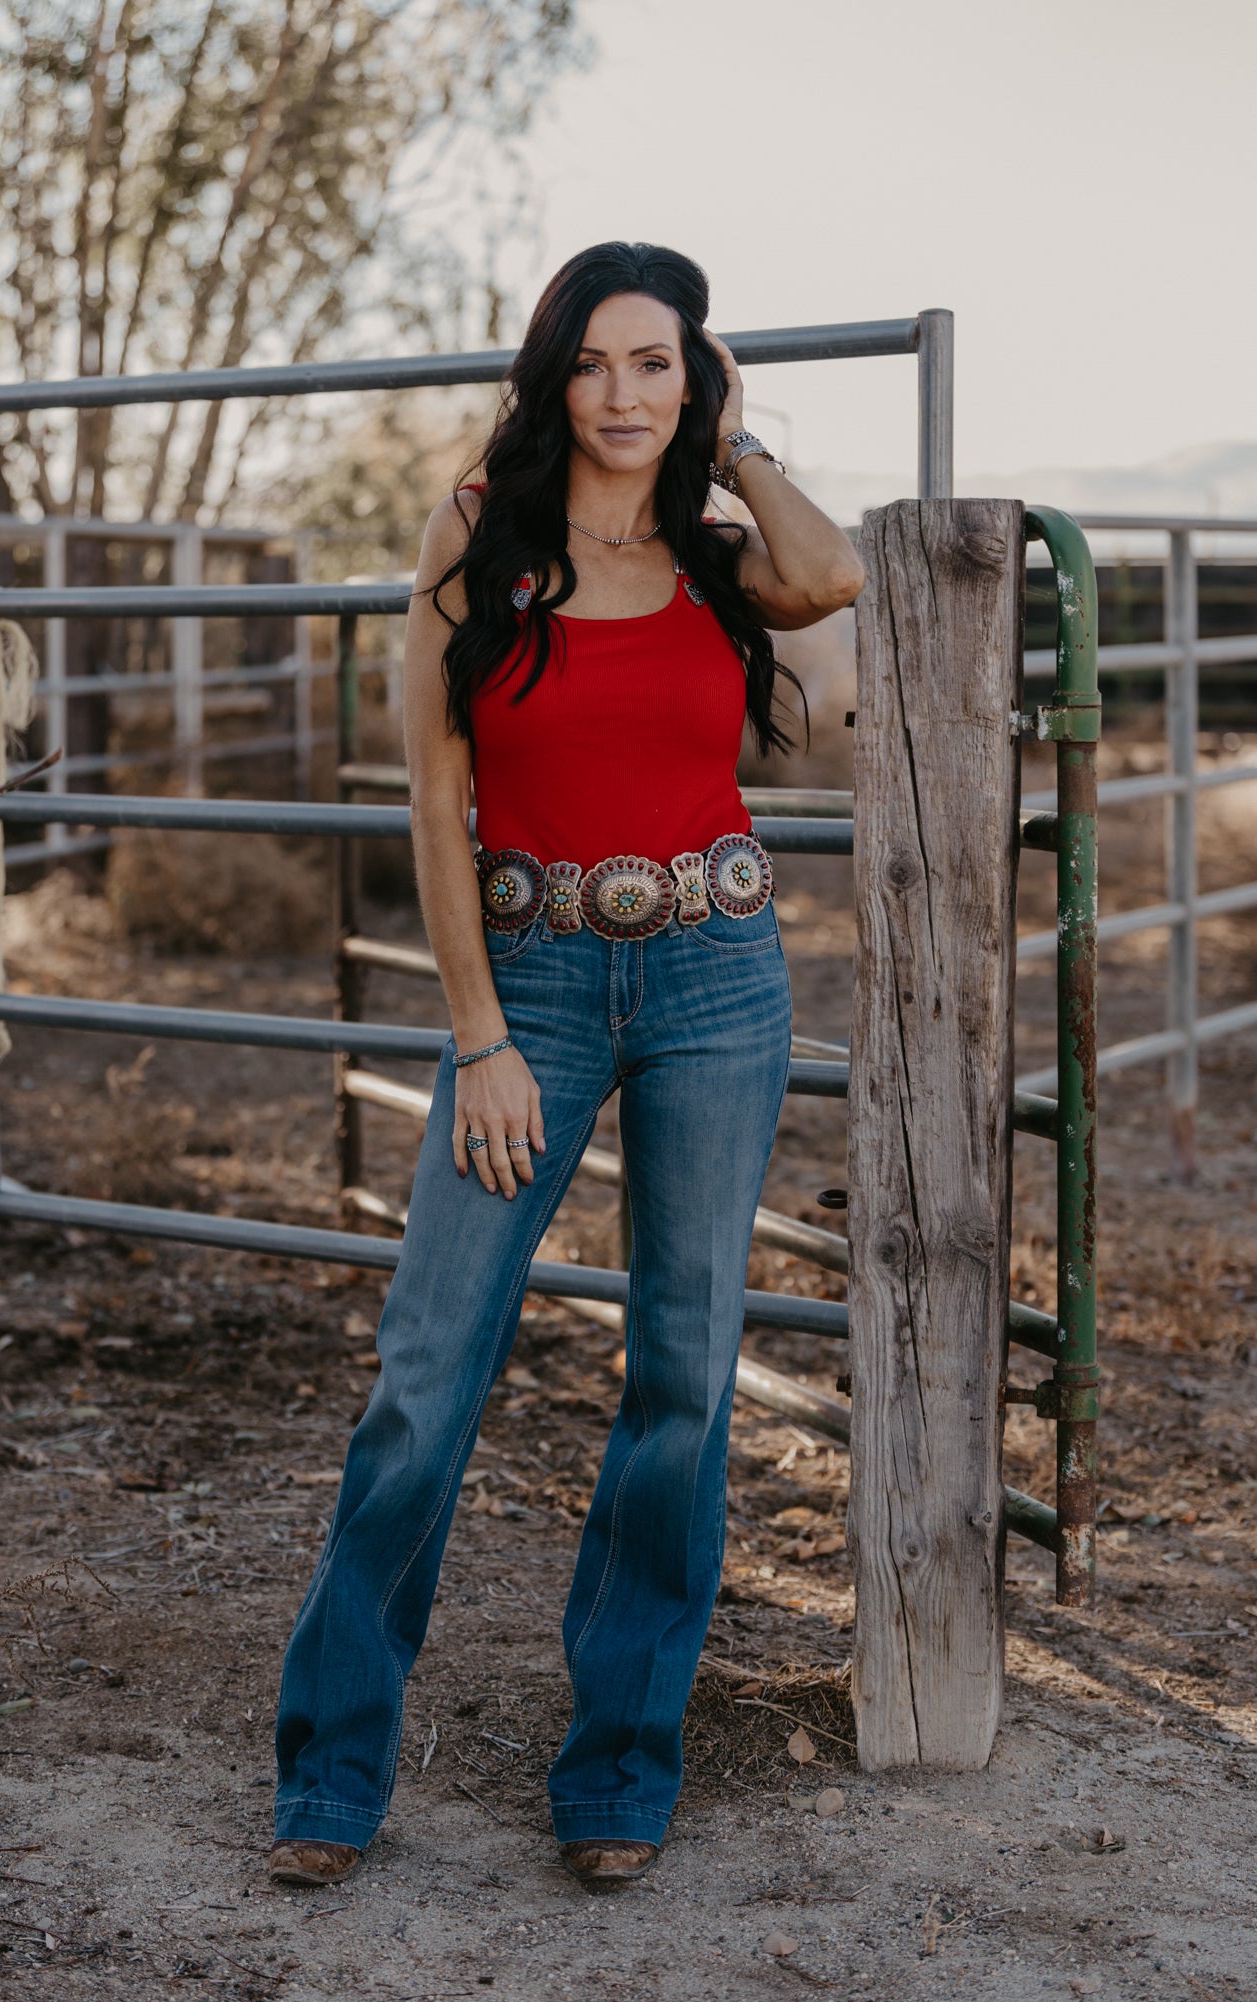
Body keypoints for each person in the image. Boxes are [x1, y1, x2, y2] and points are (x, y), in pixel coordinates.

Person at [269, 241, 864, 1888]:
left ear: (693, 376)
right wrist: (475, 1039)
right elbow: (435, 801)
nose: (621, 396)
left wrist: (732, 442)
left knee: (679, 1377)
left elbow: (836, 582)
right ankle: (329, 1769)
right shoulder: (480, 528)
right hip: (524, 982)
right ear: (553, 373)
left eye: (656, 365)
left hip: (712, 980)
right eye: (596, 363)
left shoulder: (719, 542)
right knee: (425, 1373)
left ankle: (617, 1766)